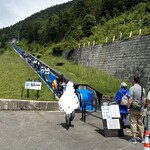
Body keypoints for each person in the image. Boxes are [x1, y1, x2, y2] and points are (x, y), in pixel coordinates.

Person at [128, 76, 146, 144]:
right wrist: (143, 107)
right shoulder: (142, 89)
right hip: (140, 108)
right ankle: (142, 138)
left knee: (133, 122)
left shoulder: (132, 88)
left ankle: (134, 138)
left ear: (134, 80)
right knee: (140, 123)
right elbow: (144, 99)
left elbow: (131, 99)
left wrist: (128, 107)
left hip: (133, 108)